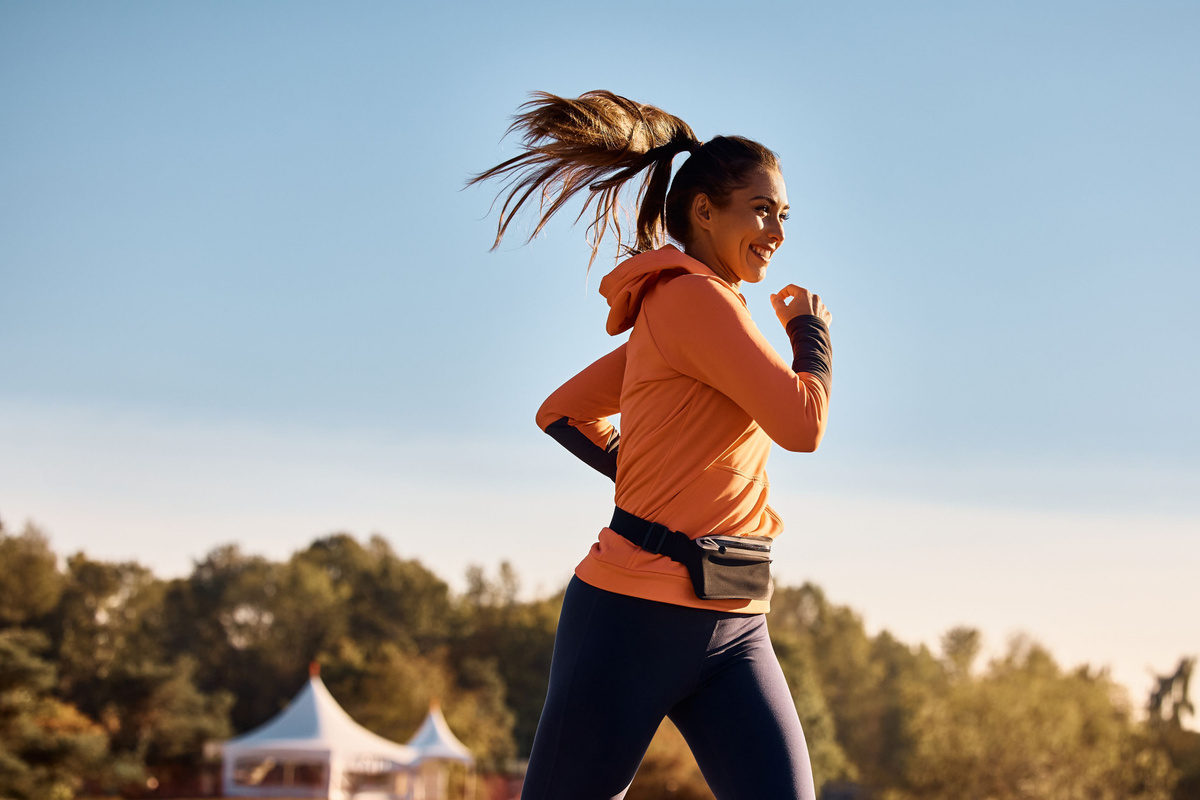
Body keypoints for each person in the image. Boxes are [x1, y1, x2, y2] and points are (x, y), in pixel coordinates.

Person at [471, 91, 833, 800]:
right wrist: (811, 335)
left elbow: (562, 412)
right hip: (633, 618)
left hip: (734, 623)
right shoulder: (692, 301)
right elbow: (802, 424)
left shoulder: (704, 312)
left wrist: (646, 473)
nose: (777, 231)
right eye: (762, 209)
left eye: (784, 215)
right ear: (704, 210)